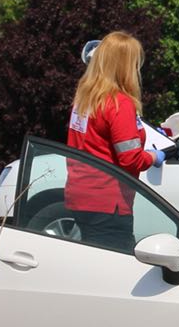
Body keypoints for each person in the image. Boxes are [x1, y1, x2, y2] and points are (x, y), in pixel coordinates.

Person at [63, 31, 163, 250]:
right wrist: (154, 156)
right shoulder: (120, 104)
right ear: (124, 66)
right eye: (135, 63)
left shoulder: (84, 99)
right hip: (108, 202)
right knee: (119, 267)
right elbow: (131, 159)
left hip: (79, 194)